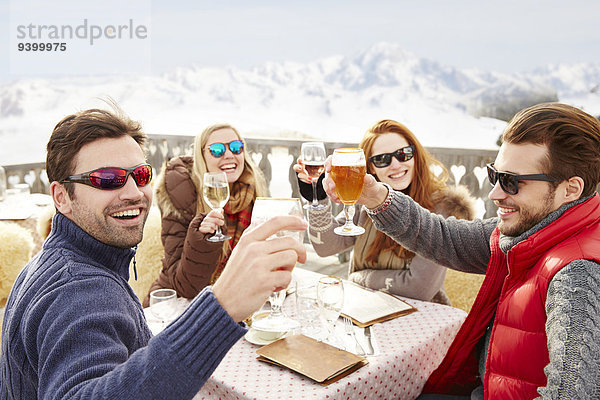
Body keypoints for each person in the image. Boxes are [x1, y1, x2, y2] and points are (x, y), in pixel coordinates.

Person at [0, 107, 307, 400]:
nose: (134, 192)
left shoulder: (56, 260)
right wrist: (222, 306)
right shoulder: (81, 290)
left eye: (141, 175)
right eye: (108, 178)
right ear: (62, 196)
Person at [322, 103, 600, 399]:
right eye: (495, 175)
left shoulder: (578, 274)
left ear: (571, 189)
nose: (494, 194)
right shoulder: (532, 231)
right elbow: (445, 239)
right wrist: (377, 197)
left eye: (512, 182)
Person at [294, 119, 476, 304]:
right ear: (370, 167)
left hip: (420, 318)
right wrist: (316, 198)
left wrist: (360, 278)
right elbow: (327, 247)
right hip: (366, 311)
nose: (396, 165)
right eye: (382, 159)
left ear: (415, 156)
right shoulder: (364, 204)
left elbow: (419, 288)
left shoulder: (443, 209)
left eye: (403, 154)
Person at [143, 123, 268, 306]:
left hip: (233, 301)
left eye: (236, 147)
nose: (229, 155)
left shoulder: (253, 191)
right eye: (217, 150)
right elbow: (185, 286)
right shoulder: (182, 193)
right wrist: (202, 240)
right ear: (202, 157)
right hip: (177, 305)